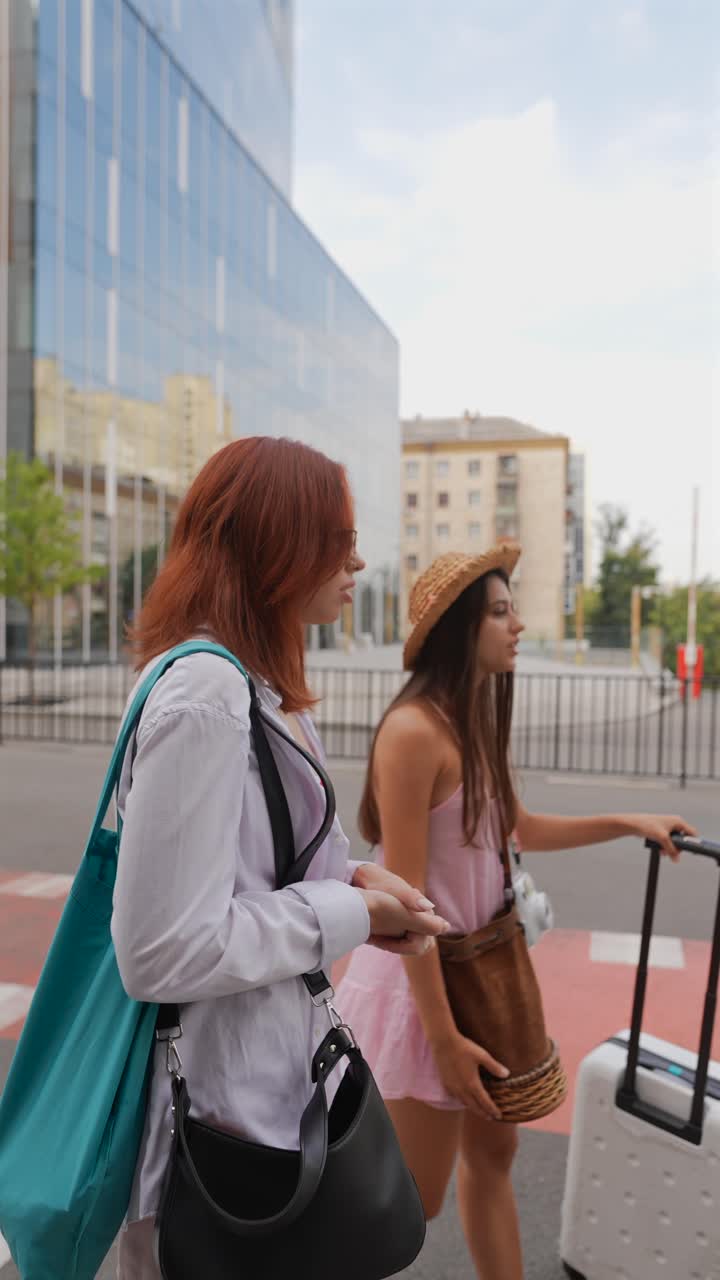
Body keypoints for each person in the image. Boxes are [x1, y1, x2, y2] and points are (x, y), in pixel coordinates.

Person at [110, 436, 450, 1278]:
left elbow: (252, 872)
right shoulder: (206, 694)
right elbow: (161, 950)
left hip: (257, 1105)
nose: (358, 561)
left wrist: (357, 888)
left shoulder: (251, 686)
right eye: (337, 538)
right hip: (219, 1124)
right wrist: (351, 911)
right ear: (275, 541)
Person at [336, 542, 697, 1280]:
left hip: (480, 978)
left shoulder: (472, 725)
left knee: (493, 1155)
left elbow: (518, 830)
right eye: (500, 612)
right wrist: (442, 1041)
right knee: (409, 1204)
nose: (518, 625)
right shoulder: (412, 733)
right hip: (424, 990)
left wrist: (634, 822)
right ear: (459, 628)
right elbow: (402, 901)